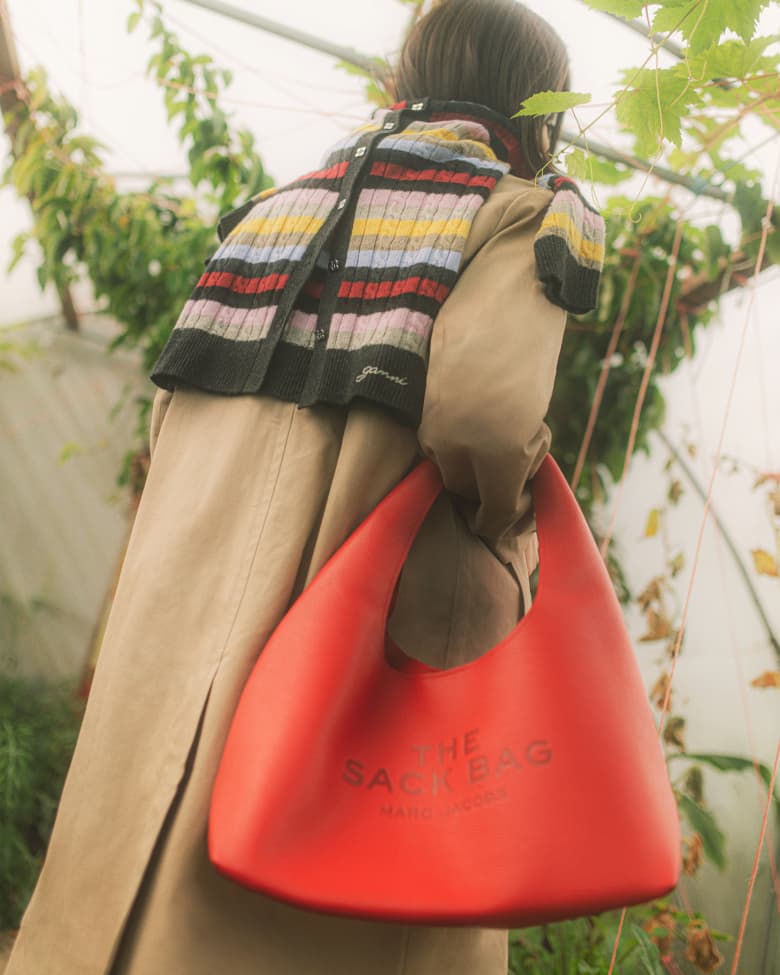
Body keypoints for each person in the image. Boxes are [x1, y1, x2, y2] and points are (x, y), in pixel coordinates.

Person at [6, 1, 604, 973]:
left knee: (155, 849)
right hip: (359, 615)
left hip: (187, 589)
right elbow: (484, 420)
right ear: (536, 109)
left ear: (404, 82)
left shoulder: (280, 206)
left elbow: (175, 412)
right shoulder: (520, 212)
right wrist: (504, 536)